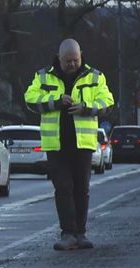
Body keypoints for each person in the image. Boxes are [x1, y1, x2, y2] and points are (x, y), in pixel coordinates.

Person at [24, 38, 113, 250]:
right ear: (59, 58)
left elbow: (107, 102)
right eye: (67, 61)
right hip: (56, 144)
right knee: (63, 188)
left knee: (81, 188)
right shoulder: (43, 76)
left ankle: (80, 233)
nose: (72, 65)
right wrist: (55, 101)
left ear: (81, 55)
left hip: (83, 144)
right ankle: (67, 233)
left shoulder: (95, 76)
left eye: (75, 60)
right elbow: (30, 99)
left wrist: (85, 107)